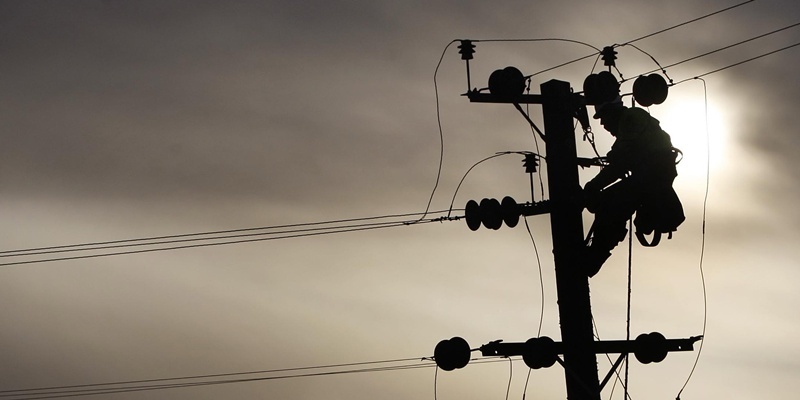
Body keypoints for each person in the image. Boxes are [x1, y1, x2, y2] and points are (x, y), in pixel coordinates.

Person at [583, 97, 684, 277]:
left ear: (613, 112)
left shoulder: (631, 119)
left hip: (652, 177)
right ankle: (595, 254)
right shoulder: (628, 126)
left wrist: (593, 187)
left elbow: (620, 163)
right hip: (650, 176)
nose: (604, 126)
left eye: (604, 119)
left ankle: (594, 257)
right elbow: (619, 157)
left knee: (610, 204)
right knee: (608, 202)